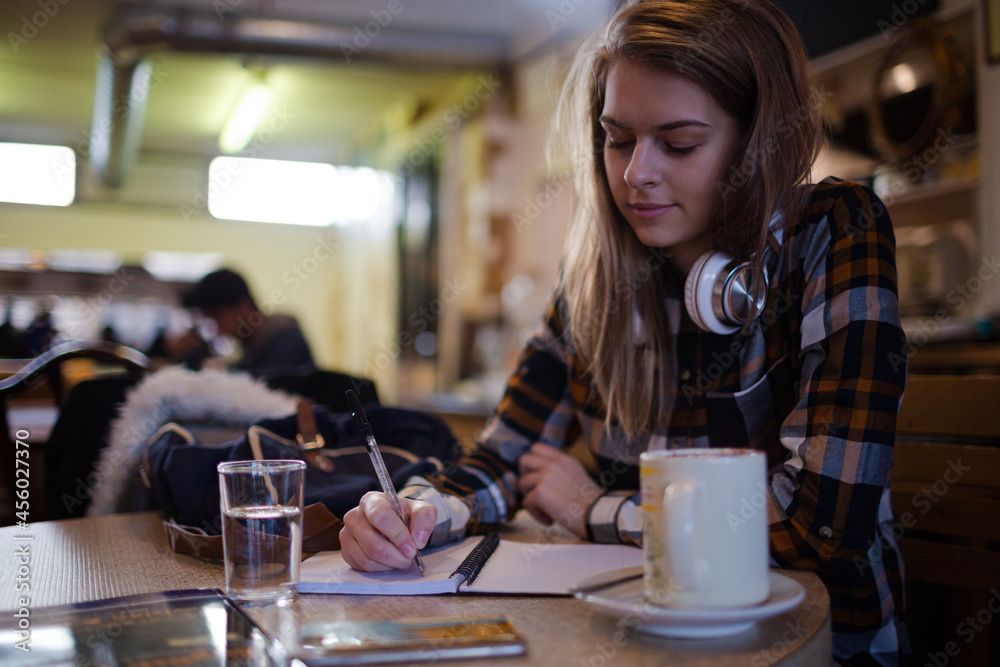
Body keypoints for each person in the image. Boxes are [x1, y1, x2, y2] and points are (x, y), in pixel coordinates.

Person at [340, 2, 907, 665]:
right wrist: (410, 513)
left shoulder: (837, 230)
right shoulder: (594, 280)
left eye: (679, 142)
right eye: (618, 137)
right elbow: (498, 461)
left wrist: (589, 506)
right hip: (636, 639)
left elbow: (820, 526)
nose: (636, 173)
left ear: (758, 142)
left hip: (816, 646)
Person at [183, 268, 314, 374]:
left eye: (219, 319)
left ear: (243, 307)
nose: (220, 331)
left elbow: (263, 394)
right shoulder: (256, 346)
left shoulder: (286, 343)